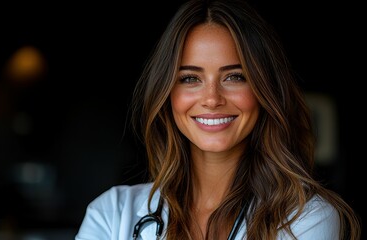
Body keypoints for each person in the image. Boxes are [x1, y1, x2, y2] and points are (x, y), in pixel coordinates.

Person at [74, 0, 361, 239]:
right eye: (190, 78)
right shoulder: (112, 213)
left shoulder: (308, 219)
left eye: (235, 77)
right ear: (167, 94)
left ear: (264, 91)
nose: (212, 98)